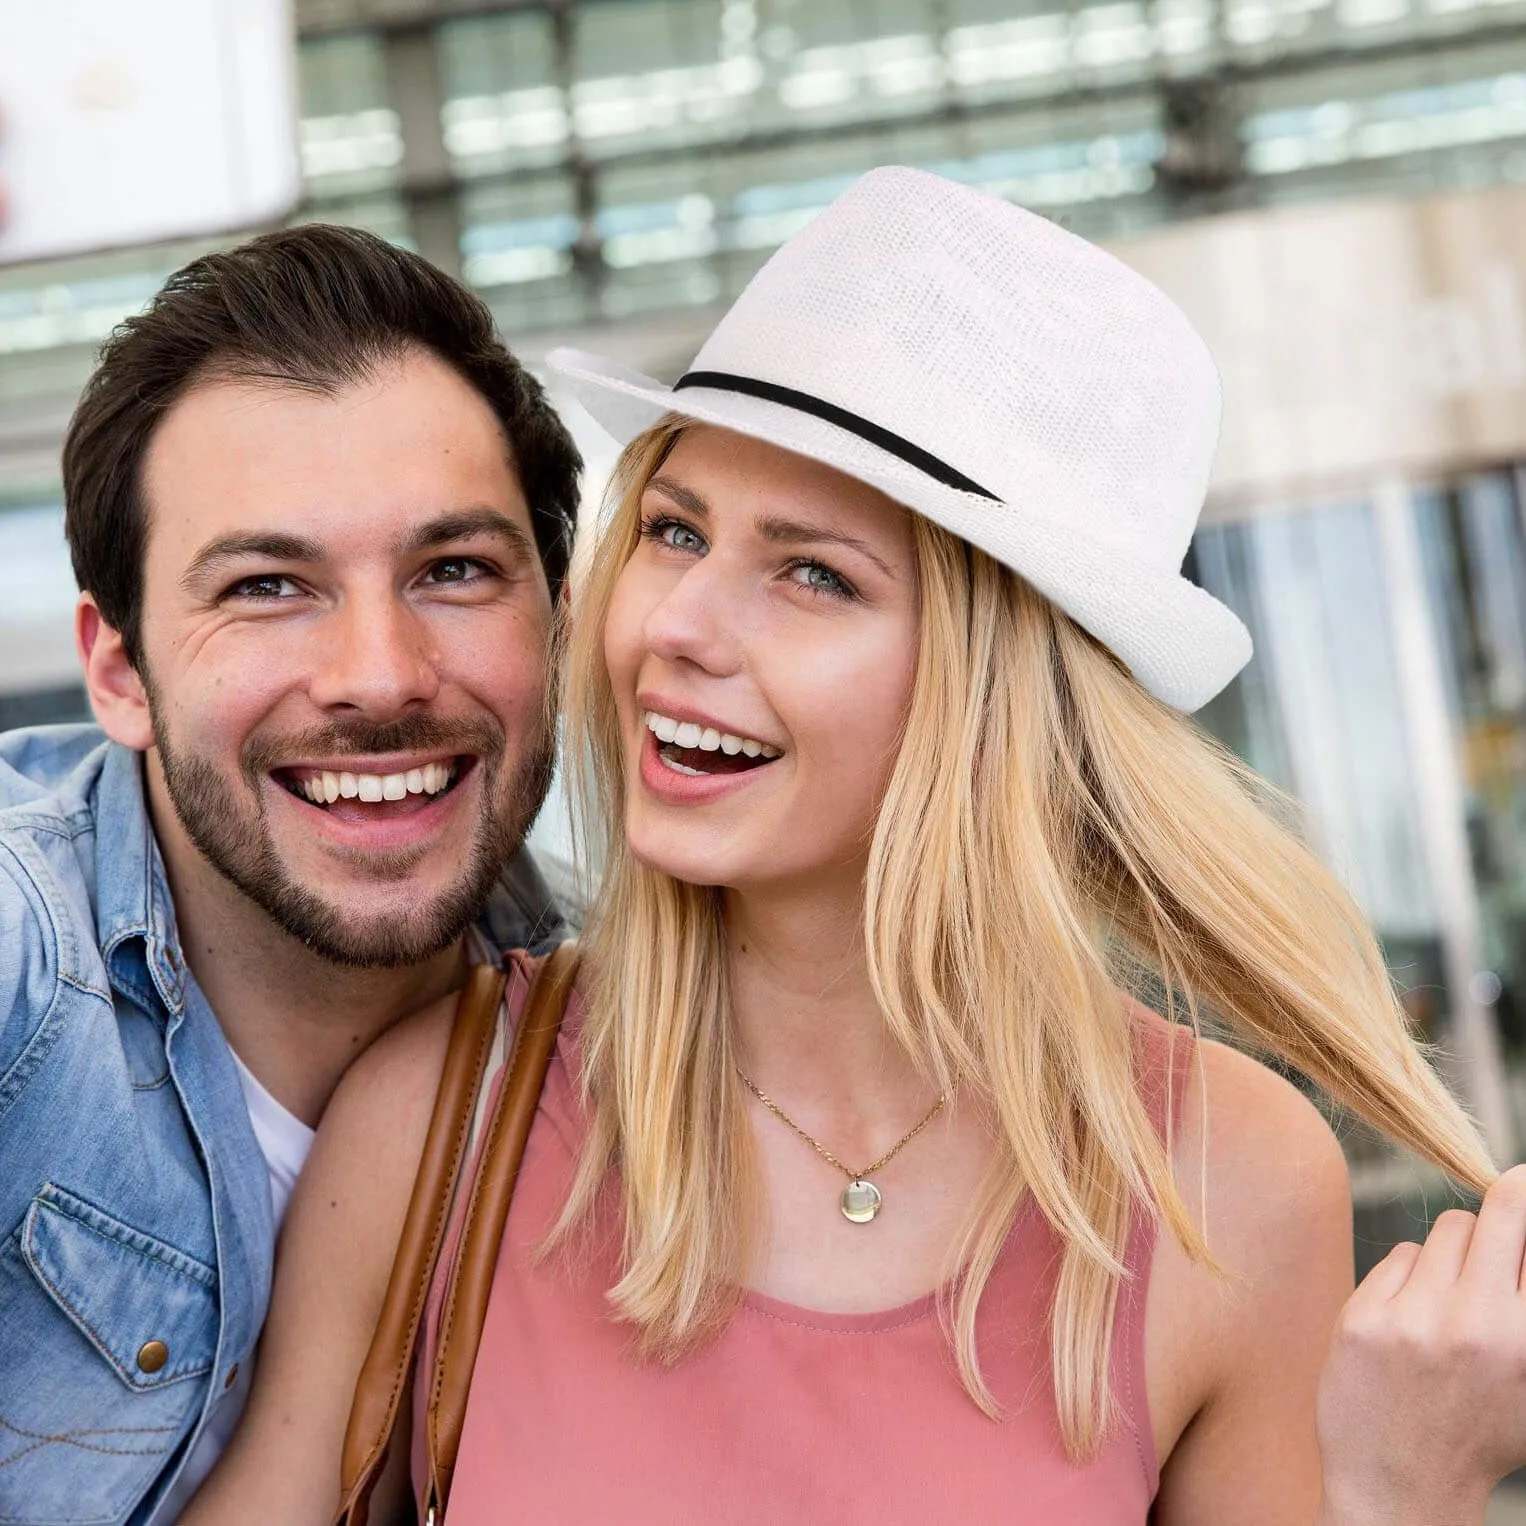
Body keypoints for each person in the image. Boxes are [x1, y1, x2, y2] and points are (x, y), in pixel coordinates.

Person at [191, 167, 1526, 1526]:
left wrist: (1403, 1490)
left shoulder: (1224, 1184)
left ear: (994, 688)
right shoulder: (447, 1116)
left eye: (813, 573)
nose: (674, 627)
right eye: (673, 530)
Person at [0, 226, 580, 1525]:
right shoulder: (22, 955)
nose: (380, 675)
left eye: (454, 571)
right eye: (268, 586)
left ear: (558, 622)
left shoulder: (620, 1034)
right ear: (119, 672)